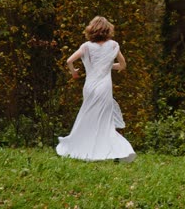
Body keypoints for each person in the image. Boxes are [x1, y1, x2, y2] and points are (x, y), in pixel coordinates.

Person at [56, 16, 136, 162]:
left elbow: (69, 61)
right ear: (108, 30)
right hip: (104, 88)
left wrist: (74, 72)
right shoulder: (113, 45)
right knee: (105, 121)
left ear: (91, 30)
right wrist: (108, 66)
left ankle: (81, 147)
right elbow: (123, 65)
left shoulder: (86, 46)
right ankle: (115, 151)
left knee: (87, 116)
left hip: (90, 87)